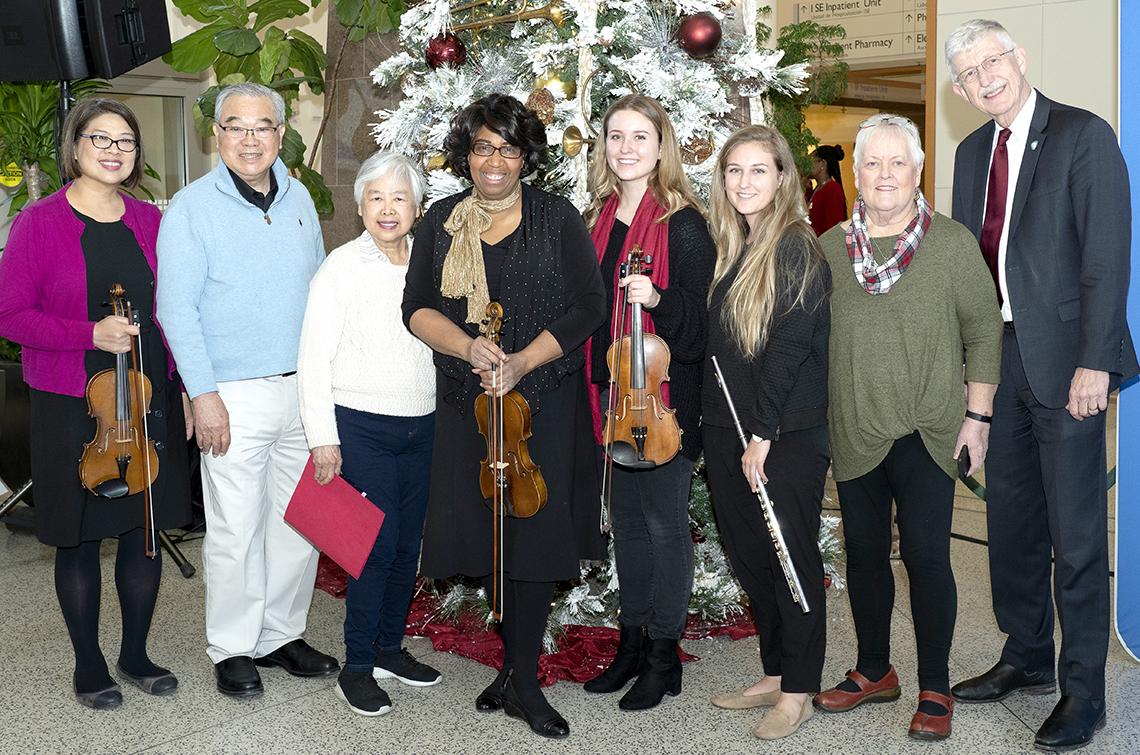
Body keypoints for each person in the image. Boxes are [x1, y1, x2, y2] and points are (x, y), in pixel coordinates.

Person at [945, 19, 1137, 752]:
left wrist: (1097, 361)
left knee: (1078, 532)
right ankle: (1026, 656)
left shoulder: (1084, 135)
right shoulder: (969, 153)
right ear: (961, 89)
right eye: (969, 72)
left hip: (1068, 362)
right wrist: (975, 389)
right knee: (1014, 523)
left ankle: (1083, 690)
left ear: (1019, 59)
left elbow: (1107, 257)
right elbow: (970, 277)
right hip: (1002, 356)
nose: (985, 76)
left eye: (993, 60)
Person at [401, 93, 605, 739]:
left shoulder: (556, 216)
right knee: (489, 536)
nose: (495, 160)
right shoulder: (440, 220)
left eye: (508, 148)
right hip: (467, 405)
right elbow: (416, 307)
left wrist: (522, 361)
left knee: (534, 537)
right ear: (466, 154)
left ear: (526, 157)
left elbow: (588, 307)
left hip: (542, 403)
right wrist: (466, 347)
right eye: (483, 146)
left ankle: (523, 678)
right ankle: (513, 667)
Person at [812, 114, 1003, 741]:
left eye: (899, 163)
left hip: (930, 428)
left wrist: (977, 418)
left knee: (926, 558)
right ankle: (874, 671)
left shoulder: (949, 244)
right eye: (873, 163)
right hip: (856, 426)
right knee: (864, 556)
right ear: (858, 173)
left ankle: (935, 684)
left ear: (918, 170)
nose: (886, 174)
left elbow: (982, 332)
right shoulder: (830, 248)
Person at [0, 98, 191, 709]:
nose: (114, 150)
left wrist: (186, 390)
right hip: (68, 405)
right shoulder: (39, 221)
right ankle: (88, 663)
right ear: (75, 147)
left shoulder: (151, 221)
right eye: (100, 138)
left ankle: (135, 653)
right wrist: (89, 334)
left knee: (144, 531)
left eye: (126, 141)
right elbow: (10, 314)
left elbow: (174, 315)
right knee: (78, 537)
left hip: (145, 397)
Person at [156, 82, 338, 698]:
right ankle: (233, 646)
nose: (250, 138)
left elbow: (319, 293)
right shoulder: (189, 208)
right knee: (235, 527)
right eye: (236, 126)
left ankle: (280, 635)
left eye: (262, 127)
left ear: (280, 134)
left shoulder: (300, 201)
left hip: (303, 389)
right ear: (218, 134)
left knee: (300, 522)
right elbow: (175, 310)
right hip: (231, 392)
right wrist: (202, 394)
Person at [580, 94, 713, 710]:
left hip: (664, 401)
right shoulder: (599, 216)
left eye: (640, 136)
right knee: (626, 526)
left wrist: (657, 298)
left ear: (663, 146)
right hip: (609, 394)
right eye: (616, 136)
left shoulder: (682, 223)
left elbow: (704, 324)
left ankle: (663, 656)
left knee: (664, 529)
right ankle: (630, 643)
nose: (626, 148)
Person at [296, 151, 439, 716]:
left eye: (399, 198)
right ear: (359, 206)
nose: (387, 208)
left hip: (423, 424)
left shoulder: (428, 265)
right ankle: (357, 666)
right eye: (376, 197)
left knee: (407, 548)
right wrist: (322, 438)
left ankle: (387, 649)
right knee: (374, 550)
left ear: (418, 207)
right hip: (360, 425)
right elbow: (313, 358)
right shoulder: (340, 267)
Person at [701, 125, 831, 740]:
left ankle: (801, 688)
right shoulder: (737, 245)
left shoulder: (796, 246)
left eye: (759, 170)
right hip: (734, 430)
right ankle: (778, 670)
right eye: (734, 171)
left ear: (783, 178)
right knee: (752, 557)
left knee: (791, 558)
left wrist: (762, 432)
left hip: (782, 434)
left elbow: (790, 345)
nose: (745, 182)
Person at [807, 144, 846, 236]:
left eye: (811, 161)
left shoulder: (832, 189)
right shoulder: (816, 189)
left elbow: (833, 228)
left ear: (822, 164)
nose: (807, 166)